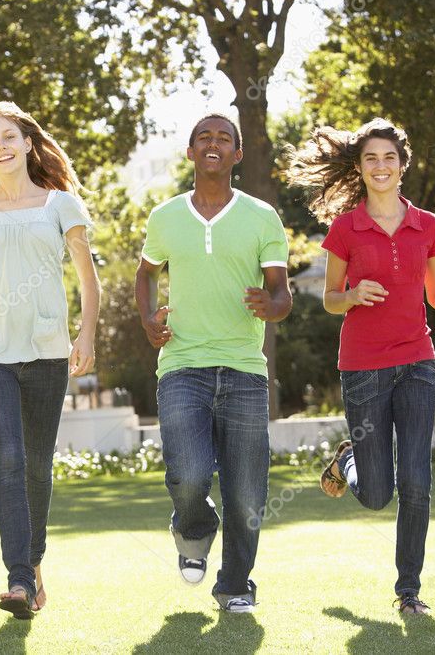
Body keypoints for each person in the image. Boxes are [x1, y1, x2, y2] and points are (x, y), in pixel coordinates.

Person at [287, 118, 435, 614]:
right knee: (375, 495)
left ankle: (408, 591)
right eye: (371, 158)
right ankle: (349, 460)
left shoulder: (427, 225)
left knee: (417, 481)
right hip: (364, 368)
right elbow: (328, 299)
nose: (380, 166)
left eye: (388, 157)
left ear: (402, 163)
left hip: (417, 361)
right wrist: (350, 295)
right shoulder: (346, 228)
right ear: (360, 166)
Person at [0, 101, 100, 619]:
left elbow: (87, 276)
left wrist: (86, 334)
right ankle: (17, 577)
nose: (2, 146)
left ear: (28, 142)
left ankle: (32, 567)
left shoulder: (61, 205)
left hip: (46, 350)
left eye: (9, 136)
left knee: (37, 463)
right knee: (8, 456)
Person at [136, 113, 291, 613]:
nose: (213, 143)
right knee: (188, 475)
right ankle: (194, 528)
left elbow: (282, 292)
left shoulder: (262, 216)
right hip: (181, 365)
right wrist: (146, 319)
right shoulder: (165, 217)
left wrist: (272, 307)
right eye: (204, 136)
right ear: (190, 152)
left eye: (224, 138)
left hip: (245, 370)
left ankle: (236, 585)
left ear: (236, 155)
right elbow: (145, 275)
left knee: (246, 495)